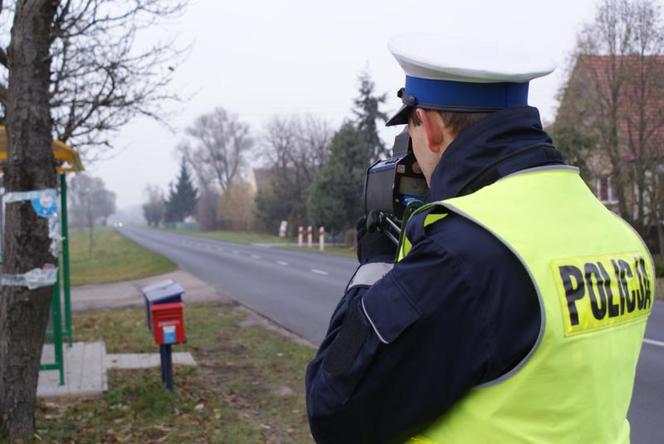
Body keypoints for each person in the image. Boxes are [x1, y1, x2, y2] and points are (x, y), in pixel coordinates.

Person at [305, 33, 655, 444]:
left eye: (411, 131)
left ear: (430, 127)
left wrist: (377, 265)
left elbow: (333, 409)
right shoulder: (618, 234)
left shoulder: (461, 258)